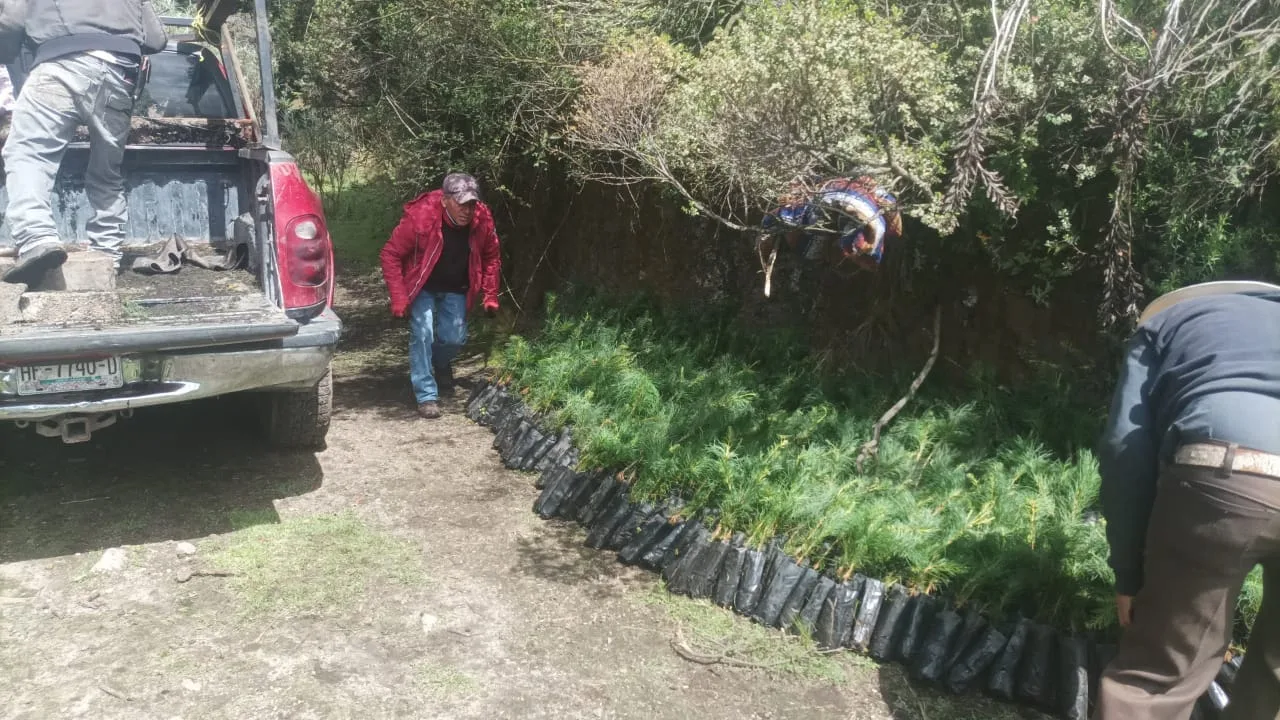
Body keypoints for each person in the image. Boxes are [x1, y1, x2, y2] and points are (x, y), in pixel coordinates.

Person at [1095, 280, 1280, 719]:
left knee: (1159, 676)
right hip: (1233, 474)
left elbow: (1125, 448)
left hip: (1226, 478)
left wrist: (1129, 573)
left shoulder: (1169, 321)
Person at [0, 0, 167, 285]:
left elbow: (12, 21)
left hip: (61, 64)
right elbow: (157, 38)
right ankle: (108, 255)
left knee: (29, 153)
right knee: (107, 171)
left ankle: (36, 237)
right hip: (121, 73)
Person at [380, 173, 501, 420]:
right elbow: (390, 254)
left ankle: (439, 362)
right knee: (422, 332)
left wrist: (490, 294)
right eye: (461, 203)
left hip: (457, 286)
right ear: (445, 200)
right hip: (422, 285)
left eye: (471, 203)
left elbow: (491, 256)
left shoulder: (482, 220)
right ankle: (426, 395)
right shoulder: (421, 217)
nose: (467, 210)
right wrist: (400, 297)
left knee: (454, 339)